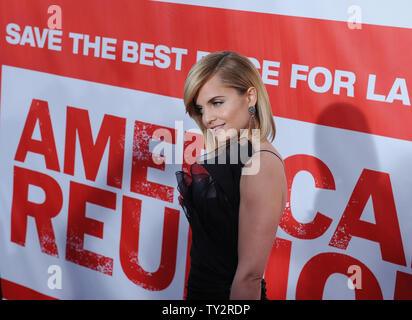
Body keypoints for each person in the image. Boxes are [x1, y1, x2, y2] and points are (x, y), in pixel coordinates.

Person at [175, 51, 287, 300]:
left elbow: (249, 278)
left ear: (250, 96)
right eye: (201, 108)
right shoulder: (232, 151)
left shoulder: (261, 163)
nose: (207, 118)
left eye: (217, 103)